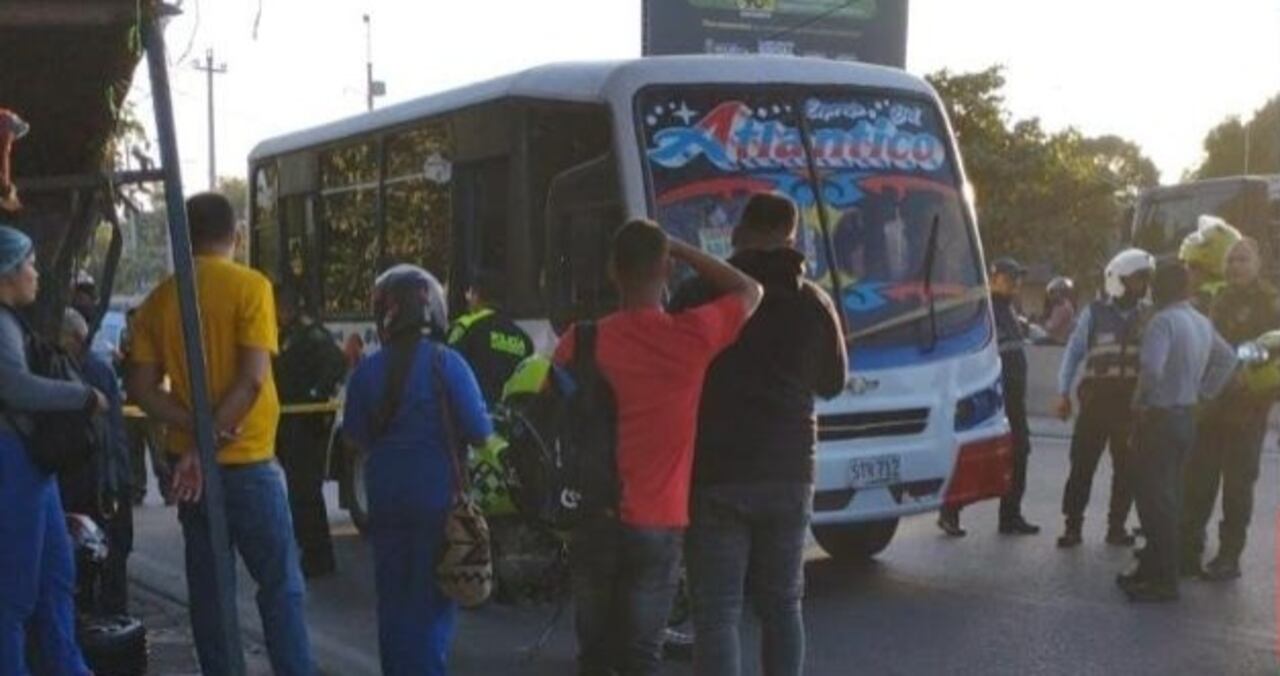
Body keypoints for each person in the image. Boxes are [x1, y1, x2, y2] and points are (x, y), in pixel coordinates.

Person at [557, 219, 762, 676]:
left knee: (593, 655)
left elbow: (558, 414)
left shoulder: (580, 341)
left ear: (614, 270)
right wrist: (684, 250)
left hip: (593, 517)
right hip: (658, 520)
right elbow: (750, 290)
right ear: (665, 270)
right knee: (642, 655)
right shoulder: (691, 336)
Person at [126, 192, 314, 674]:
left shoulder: (159, 300)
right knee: (279, 586)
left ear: (185, 237)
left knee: (210, 595)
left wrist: (193, 432)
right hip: (248, 459)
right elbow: (252, 379)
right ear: (236, 234)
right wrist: (212, 438)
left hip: (191, 470)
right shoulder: (251, 287)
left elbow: (143, 389)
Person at [670, 193, 845, 676]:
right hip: (789, 471)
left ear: (740, 232)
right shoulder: (816, 303)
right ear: (792, 238)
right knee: (783, 605)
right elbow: (832, 383)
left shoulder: (698, 293)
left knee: (718, 612)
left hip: (716, 471)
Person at [342, 265, 491, 675]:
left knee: (394, 602)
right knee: (431, 606)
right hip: (438, 501)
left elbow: (354, 437)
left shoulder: (367, 372)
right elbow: (480, 432)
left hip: (385, 500)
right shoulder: (451, 364)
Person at [0, 224, 102, 675]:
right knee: (15, 597)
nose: (37, 274)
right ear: (7, 271)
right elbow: (15, 387)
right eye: (30, 264)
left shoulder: (12, 322)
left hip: (30, 468)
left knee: (54, 581)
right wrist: (80, 397)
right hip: (14, 465)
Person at [1117, 261, 1236, 603]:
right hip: (1186, 418)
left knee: (1154, 502)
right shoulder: (1201, 322)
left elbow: (1152, 369)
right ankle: (1151, 571)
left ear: (1161, 287)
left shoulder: (1162, 322)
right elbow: (1227, 360)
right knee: (1168, 496)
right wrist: (1204, 394)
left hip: (1159, 418)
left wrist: (1140, 404)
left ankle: (1163, 581)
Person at [1181, 238, 1280, 580]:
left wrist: (1256, 379)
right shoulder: (1215, 299)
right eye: (1232, 260)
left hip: (1247, 411)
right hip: (1210, 406)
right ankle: (1188, 552)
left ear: (1258, 264)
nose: (1236, 265)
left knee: (1237, 489)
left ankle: (1228, 557)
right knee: (1197, 483)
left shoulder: (1271, 301)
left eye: (1243, 259)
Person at [1053, 249, 1154, 548]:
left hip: (1130, 406)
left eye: (1145, 279)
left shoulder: (1148, 314)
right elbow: (1073, 354)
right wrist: (1062, 393)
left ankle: (1116, 527)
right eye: (1138, 279)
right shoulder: (1094, 313)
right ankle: (1073, 526)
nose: (1143, 285)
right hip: (1096, 402)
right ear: (1119, 280)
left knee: (1127, 470)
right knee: (1082, 466)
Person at [938, 257, 1040, 537]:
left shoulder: (1009, 310)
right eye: (1010, 277)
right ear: (993, 279)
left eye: (1017, 277)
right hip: (991, 396)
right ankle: (950, 512)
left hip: (1014, 399)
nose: (1015, 283)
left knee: (1020, 453)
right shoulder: (985, 310)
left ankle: (1010, 515)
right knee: (978, 456)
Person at [58, 307, 134, 616]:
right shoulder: (77, 368)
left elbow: (107, 437)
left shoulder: (91, 371)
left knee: (111, 560)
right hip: (91, 481)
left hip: (102, 482)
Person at [274, 287, 346, 578]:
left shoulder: (309, 334)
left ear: (284, 306)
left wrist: (315, 396)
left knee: (305, 493)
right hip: (290, 423)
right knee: (299, 491)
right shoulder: (284, 335)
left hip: (305, 425)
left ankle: (318, 555)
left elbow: (336, 364)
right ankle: (311, 551)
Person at [446, 270, 534, 406]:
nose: (468, 298)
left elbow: (446, 369)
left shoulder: (466, 326)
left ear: (477, 295)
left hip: (473, 416)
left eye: (470, 293)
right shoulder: (523, 338)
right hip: (509, 420)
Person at [120, 307, 173, 505]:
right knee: (133, 451)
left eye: (133, 322)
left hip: (153, 405)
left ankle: (168, 489)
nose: (130, 326)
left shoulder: (154, 342)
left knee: (159, 452)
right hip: (131, 405)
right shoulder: (126, 342)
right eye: (129, 322)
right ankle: (136, 490)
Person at [1040, 276, 1077, 344]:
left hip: (1057, 340)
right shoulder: (1067, 304)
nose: (1051, 296)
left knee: (1034, 342)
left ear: (1059, 292)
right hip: (1061, 339)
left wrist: (1043, 323)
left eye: (1052, 293)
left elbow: (1052, 327)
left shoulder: (1061, 307)